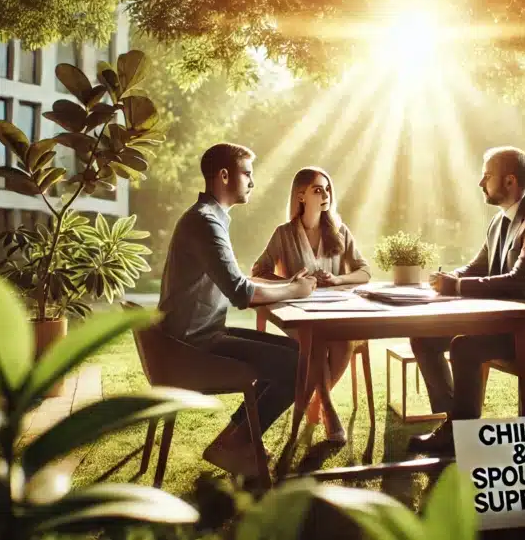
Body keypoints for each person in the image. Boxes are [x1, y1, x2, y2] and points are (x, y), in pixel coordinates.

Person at [158, 142, 317, 477]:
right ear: (224, 176)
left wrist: (287, 284)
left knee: (296, 352)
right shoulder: (206, 222)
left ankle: (236, 439)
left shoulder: (210, 218)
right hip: (191, 344)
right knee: (300, 363)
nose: (252, 182)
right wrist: (295, 289)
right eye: (247, 173)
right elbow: (240, 293)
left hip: (197, 334)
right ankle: (234, 443)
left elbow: (237, 280)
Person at [407, 146, 525, 454]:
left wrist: (457, 286)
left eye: (486, 176)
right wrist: (442, 281)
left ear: (510, 181)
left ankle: (459, 433)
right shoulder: (499, 222)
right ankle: (456, 423)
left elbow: (520, 283)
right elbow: (477, 267)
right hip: (509, 322)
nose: (480, 183)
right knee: (423, 337)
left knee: (465, 346)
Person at [251, 166, 371, 443]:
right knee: (316, 338)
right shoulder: (284, 234)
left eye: (327, 189)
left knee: (343, 340)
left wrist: (338, 278)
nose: (325, 194)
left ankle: (316, 402)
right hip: (300, 315)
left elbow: (364, 271)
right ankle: (328, 409)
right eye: (318, 190)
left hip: (335, 311)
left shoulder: (339, 231)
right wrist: (290, 281)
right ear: (301, 196)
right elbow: (259, 270)